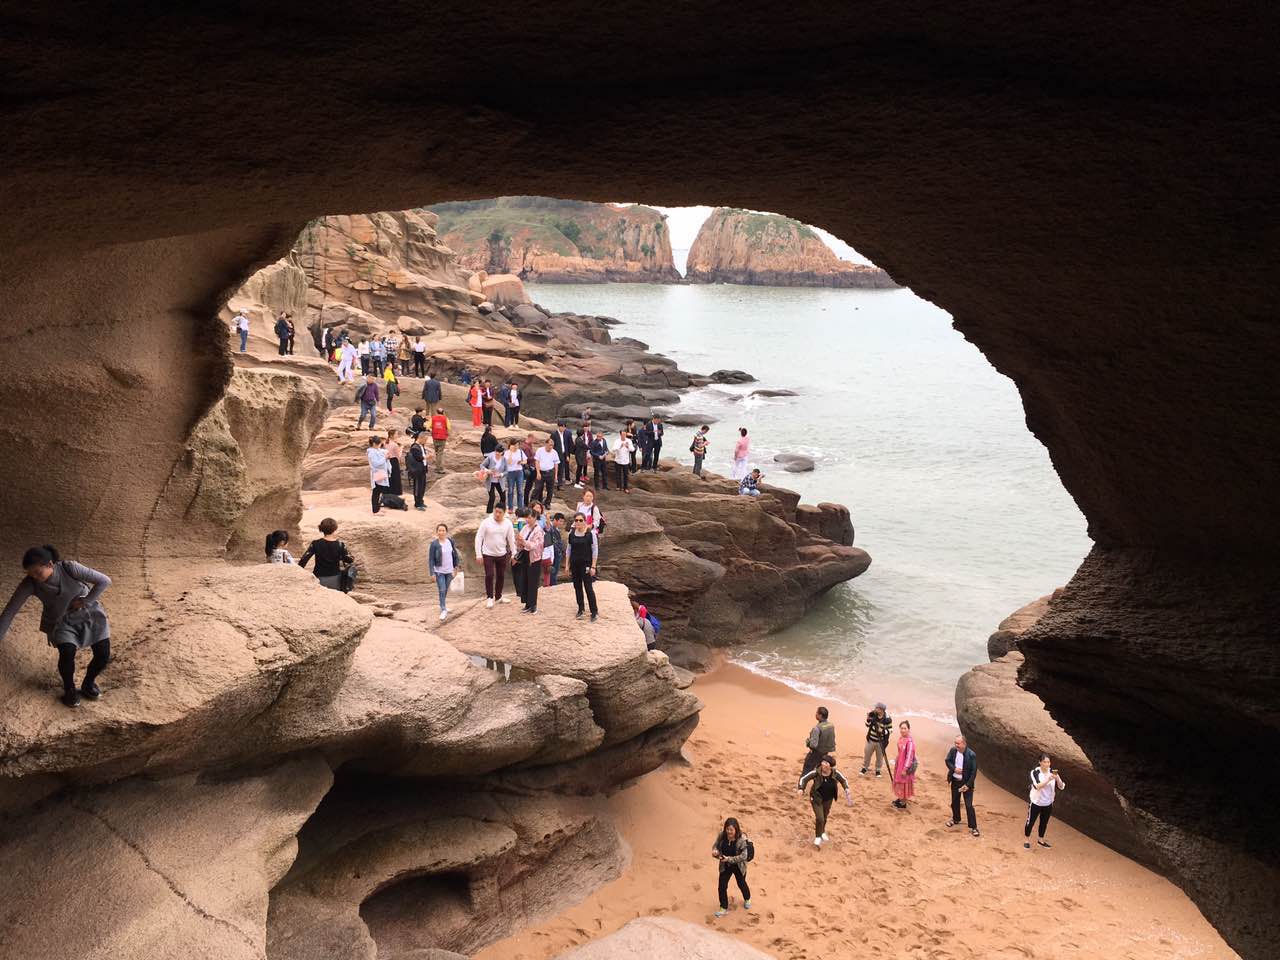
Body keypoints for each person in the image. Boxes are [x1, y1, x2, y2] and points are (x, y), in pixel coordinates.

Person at [0, 546, 112, 708]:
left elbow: (104, 581)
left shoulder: (70, 568)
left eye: (38, 573)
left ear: (50, 565)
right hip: (61, 622)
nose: (35, 578)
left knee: (103, 654)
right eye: (30, 574)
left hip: (90, 615)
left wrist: (85, 600)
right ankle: (69, 690)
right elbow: (9, 612)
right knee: (67, 652)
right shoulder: (30, 584)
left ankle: (88, 683)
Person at [797, 755, 852, 847]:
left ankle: (822, 832)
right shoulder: (816, 772)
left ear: (830, 766)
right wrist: (801, 788)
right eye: (823, 762)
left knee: (825, 816)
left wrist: (846, 788)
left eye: (826, 763)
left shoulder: (835, 773)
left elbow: (843, 780)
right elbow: (804, 779)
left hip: (828, 798)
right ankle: (818, 837)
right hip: (816, 798)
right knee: (820, 818)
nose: (823, 764)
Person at [475, 505, 516, 606]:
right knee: (489, 575)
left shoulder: (508, 523)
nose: (497, 514)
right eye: (496, 511)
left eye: (500, 512)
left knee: (501, 575)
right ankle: (489, 597)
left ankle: (498, 596)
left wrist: (514, 554)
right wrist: (478, 554)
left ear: (504, 513)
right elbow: (479, 537)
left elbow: (511, 539)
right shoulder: (486, 522)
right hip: (488, 553)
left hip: (502, 553)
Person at [711, 817, 752, 918]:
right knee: (722, 886)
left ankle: (747, 898)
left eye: (731, 830)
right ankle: (723, 907)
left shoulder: (741, 839)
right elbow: (715, 846)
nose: (729, 832)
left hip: (738, 866)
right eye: (727, 829)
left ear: (736, 829)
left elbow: (744, 856)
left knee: (741, 884)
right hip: (725, 865)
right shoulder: (722, 835)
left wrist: (729, 859)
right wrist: (715, 852)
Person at [298, 518, 353, 591]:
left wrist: (298, 571)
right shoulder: (340, 545)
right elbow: (349, 560)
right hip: (335, 578)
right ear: (335, 529)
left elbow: (304, 559)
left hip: (319, 577)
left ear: (322, 529)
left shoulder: (315, 543)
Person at [1025, 754, 1066, 849]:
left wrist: (1057, 778)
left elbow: (1061, 786)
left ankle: (1040, 840)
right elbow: (1037, 786)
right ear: (1040, 762)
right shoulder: (1035, 772)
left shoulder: (1052, 772)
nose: (1047, 764)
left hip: (1048, 802)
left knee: (1044, 822)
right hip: (1036, 802)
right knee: (1030, 821)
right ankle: (1026, 840)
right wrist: (1048, 779)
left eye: (1048, 762)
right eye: (1044, 762)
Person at [565, 513, 600, 620]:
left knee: (588, 587)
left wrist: (593, 566)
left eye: (580, 520)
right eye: (576, 520)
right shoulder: (572, 534)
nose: (578, 522)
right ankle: (581, 608)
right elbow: (569, 549)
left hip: (586, 564)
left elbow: (595, 550)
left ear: (585, 521)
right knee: (577, 587)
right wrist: (567, 565)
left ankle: (594, 611)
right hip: (575, 564)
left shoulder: (590, 534)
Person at [945, 734, 980, 837]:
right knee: (954, 802)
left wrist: (968, 785)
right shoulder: (953, 751)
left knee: (969, 805)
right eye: (955, 743)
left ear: (964, 744)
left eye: (958, 743)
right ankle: (956, 819)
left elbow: (974, 772)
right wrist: (954, 768)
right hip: (955, 781)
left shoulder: (971, 754)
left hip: (966, 783)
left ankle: (973, 827)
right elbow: (947, 761)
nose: (956, 745)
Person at [427, 523, 461, 621]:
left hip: (449, 570)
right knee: (442, 589)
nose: (441, 532)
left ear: (446, 531)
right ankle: (443, 609)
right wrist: (432, 573)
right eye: (439, 530)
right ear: (437, 532)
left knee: (445, 589)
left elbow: (455, 554)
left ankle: (444, 606)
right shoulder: (434, 544)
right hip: (439, 571)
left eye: (443, 530)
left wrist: (456, 566)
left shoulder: (450, 541)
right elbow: (431, 559)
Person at [519, 507, 544, 614]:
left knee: (533, 581)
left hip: (534, 558)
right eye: (526, 518)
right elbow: (520, 539)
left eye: (529, 518)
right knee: (525, 579)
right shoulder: (525, 527)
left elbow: (535, 545)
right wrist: (519, 542)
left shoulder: (538, 530)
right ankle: (527, 604)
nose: (527, 520)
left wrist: (523, 542)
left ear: (534, 517)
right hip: (525, 555)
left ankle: (533, 605)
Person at [802, 706, 837, 775]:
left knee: (806, 770)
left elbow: (813, 745)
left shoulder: (817, 729)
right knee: (819, 770)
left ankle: (801, 785)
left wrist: (808, 742)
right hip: (825, 753)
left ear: (820, 715)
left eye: (817, 713)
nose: (815, 714)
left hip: (815, 753)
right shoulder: (831, 725)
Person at [862, 701, 892, 777]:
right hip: (870, 740)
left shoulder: (887, 719)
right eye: (875, 708)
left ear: (882, 710)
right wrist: (868, 718)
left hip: (881, 742)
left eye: (877, 708)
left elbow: (891, 730)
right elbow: (867, 725)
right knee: (867, 754)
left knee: (880, 757)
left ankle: (878, 770)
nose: (875, 709)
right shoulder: (873, 715)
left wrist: (882, 731)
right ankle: (865, 768)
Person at [892, 720, 917, 809]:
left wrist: (905, 769)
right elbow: (900, 751)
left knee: (904, 783)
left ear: (908, 729)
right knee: (899, 782)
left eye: (905, 728)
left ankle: (903, 803)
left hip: (905, 767)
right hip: (899, 764)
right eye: (901, 728)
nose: (903, 730)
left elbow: (909, 756)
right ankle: (900, 798)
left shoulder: (910, 742)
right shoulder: (901, 738)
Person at [533, 437, 560, 508]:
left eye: (552, 445)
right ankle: (534, 502)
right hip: (541, 472)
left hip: (550, 472)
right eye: (550, 445)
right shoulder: (540, 450)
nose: (551, 447)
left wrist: (556, 475)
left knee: (550, 489)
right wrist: (538, 472)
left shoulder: (554, 452)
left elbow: (556, 464)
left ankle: (548, 503)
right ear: (546, 444)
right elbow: (537, 461)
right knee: (538, 488)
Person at [367, 435, 390, 514]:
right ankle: (375, 510)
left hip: (381, 472)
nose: (380, 445)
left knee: (380, 490)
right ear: (374, 444)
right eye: (379, 444)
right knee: (376, 492)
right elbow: (376, 463)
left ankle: (378, 507)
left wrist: (387, 453)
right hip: (377, 472)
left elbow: (383, 451)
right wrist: (385, 458)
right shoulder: (371, 452)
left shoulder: (377, 450)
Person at [502, 439, 527, 510]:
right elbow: (508, 463)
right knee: (510, 490)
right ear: (511, 445)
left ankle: (520, 508)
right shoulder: (507, 453)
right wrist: (510, 453)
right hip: (510, 473)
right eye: (515, 445)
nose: (516, 447)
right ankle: (510, 507)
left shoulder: (520, 451)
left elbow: (525, 460)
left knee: (520, 491)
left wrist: (521, 462)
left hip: (519, 472)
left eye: (517, 445)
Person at [407, 432, 429, 510]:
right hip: (417, 470)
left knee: (422, 487)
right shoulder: (414, 447)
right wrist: (427, 457)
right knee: (418, 487)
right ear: (421, 438)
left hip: (422, 469)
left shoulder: (421, 446)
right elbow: (418, 458)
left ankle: (421, 501)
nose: (426, 441)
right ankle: (417, 503)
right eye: (425, 440)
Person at [481, 446, 507, 513]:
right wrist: (487, 470)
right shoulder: (490, 458)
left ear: (502, 453)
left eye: (499, 453)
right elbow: (482, 465)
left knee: (503, 496)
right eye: (496, 453)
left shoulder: (504, 459)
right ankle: (489, 512)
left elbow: (506, 471)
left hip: (499, 481)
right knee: (492, 497)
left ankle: (501, 511)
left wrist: (500, 474)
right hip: (490, 481)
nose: (497, 454)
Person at [544, 513, 565, 587]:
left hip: (557, 553)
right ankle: (553, 585)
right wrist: (558, 551)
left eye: (562, 521)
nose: (561, 523)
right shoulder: (551, 529)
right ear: (555, 520)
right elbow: (553, 542)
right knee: (553, 571)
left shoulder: (556, 529)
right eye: (560, 521)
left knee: (554, 571)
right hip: (554, 553)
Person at [427, 406, 450, 473]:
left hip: (435, 436)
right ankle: (439, 468)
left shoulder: (433, 418)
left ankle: (438, 466)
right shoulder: (445, 418)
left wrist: (432, 429)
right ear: (443, 413)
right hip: (442, 437)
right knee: (440, 453)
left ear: (437, 412)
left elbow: (428, 426)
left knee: (437, 452)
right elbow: (449, 427)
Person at [552, 421, 574, 489]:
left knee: (562, 468)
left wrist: (567, 455)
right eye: (562, 427)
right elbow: (552, 445)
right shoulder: (554, 434)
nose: (563, 428)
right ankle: (556, 481)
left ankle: (560, 484)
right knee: (557, 468)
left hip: (564, 453)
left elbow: (566, 445)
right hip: (557, 454)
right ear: (558, 426)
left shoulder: (566, 434)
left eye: (564, 427)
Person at [384, 429, 403, 496]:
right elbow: (398, 456)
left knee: (389, 476)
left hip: (387, 461)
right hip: (394, 461)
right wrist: (401, 449)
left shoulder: (385, 443)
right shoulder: (394, 445)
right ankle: (396, 492)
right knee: (395, 477)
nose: (397, 435)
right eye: (396, 434)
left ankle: (388, 491)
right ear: (392, 436)